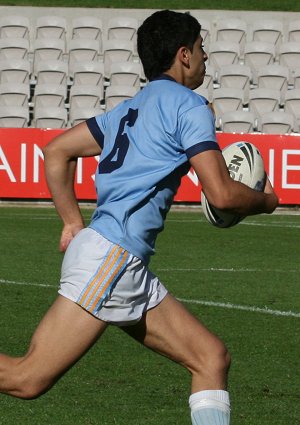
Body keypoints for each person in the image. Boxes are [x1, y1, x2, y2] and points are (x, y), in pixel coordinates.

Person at [0, 10, 278, 425]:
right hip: (112, 259)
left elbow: (56, 150)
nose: (206, 59)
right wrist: (266, 200)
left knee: (210, 358)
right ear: (184, 55)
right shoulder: (190, 106)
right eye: (202, 50)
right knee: (27, 378)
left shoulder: (130, 108)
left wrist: (72, 222)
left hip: (116, 257)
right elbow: (221, 195)